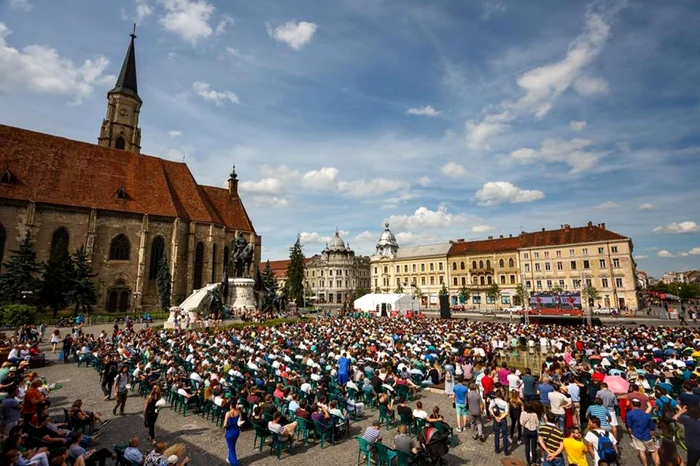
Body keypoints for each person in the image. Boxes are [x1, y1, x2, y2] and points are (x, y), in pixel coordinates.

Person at [626, 398, 660, 466]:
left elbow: (629, 427)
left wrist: (631, 434)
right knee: (653, 450)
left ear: (632, 405)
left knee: (641, 450)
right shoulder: (647, 415)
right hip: (647, 436)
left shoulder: (629, 414)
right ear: (640, 405)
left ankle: (645, 464)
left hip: (636, 435)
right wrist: (653, 434)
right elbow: (652, 428)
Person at [489, 389, 510, 455]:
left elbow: (489, 408)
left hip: (496, 419)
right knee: (504, 435)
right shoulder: (505, 403)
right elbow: (506, 412)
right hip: (503, 419)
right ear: (501, 395)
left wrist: (495, 416)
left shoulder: (493, 401)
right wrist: (500, 418)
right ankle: (506, 451)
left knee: (496, 435)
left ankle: (497, 449)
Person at [521, 401, 542, 466]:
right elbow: (537, 423)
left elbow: (521, 422)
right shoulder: (534, 414)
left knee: (527, 446)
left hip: (526, 431)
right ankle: (534, 460)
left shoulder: (523, 413)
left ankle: (528, 460)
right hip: (533, 431)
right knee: (533, 447)